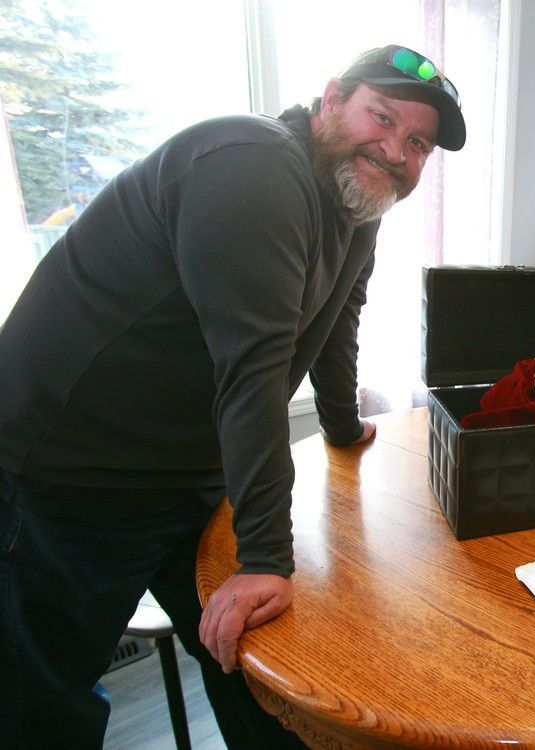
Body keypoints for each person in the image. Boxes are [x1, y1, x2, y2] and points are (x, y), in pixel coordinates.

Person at [0, 44, 465, 749]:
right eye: (382, 116)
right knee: (45, 708)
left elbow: (338, 320)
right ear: (331, 99)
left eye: (418, 142)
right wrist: (266, 561)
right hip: (65, 470)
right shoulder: (254, 166)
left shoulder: (357, 207)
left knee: (260, 673)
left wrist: (343, 424)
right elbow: (254, 375)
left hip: (185, 470)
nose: (397, 150)